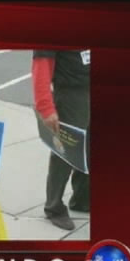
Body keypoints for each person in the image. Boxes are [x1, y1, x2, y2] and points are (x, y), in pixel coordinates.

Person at [32, 50, 90, 230]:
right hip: (70, 95)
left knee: (88, 149)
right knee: (64, 154)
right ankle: (54, 207)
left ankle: (82, 199)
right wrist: (46, 107)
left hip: (87, 89)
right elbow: (40, 69)